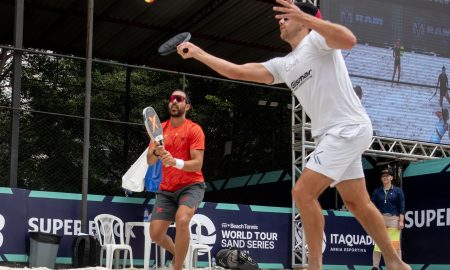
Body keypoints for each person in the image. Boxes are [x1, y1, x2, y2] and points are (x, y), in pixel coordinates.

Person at [176, 1, 410, 269]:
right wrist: (198, 53)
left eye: (287, 17)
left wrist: (308, 18)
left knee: (302, 193)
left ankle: (314, 266)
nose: (281, 21)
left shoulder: (318, 41)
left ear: (304, 20)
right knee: (357, 202)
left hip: (347, 128)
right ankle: (396, 264)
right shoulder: (283, 65)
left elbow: (348, 39)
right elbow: (237, 71)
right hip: (333, 136)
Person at [147, 89, 206, 270]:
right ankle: (179, 255)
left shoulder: (194, 130)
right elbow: (150, 160)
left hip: (191, 186)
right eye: (172, 99)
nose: (174, 102)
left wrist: (176, 162)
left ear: (186, 106)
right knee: (156, 235)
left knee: (182, 220)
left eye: (179, 99)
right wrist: (156, 151)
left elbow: (197, 164)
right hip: (167, 189)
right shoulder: (160, 130)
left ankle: (177, 267)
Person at [371, 168, 406, 270]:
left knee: (395, 244)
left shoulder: (398, 191)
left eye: (387, 176)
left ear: (391, 177)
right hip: (380, 219)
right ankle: (375, 267)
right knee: (378, 243)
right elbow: (372, 207)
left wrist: (401, 221)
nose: (385, 177)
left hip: (394, 219)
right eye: (383, 176)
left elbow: (401, 207)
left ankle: (397, 266)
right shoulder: (377, 192)